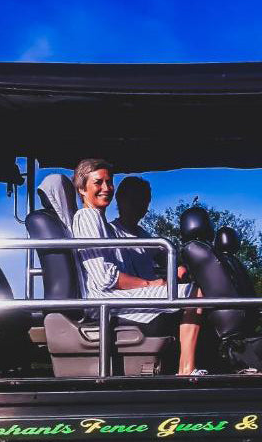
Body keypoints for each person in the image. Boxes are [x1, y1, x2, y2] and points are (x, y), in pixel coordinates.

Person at [70, 158, 205, 375]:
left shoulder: (120, 228)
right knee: (194, 294)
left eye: (109, 182)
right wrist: (151, 284)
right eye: (98, 182)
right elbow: (104, 277)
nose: (106, 188)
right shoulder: (87, 217)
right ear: (81, 188)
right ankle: (186, 370)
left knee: (192, 289)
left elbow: (161, 256)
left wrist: (177, 266)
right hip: (105, 299)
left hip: (115, 295)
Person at [111, 175, 161, 281]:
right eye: (133, 199)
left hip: (153, 292)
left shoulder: (144, 235)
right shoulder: (109, 232)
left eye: (144, 200)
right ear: (120, 200)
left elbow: (163, 257)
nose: (139, 205)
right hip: (130, 294)